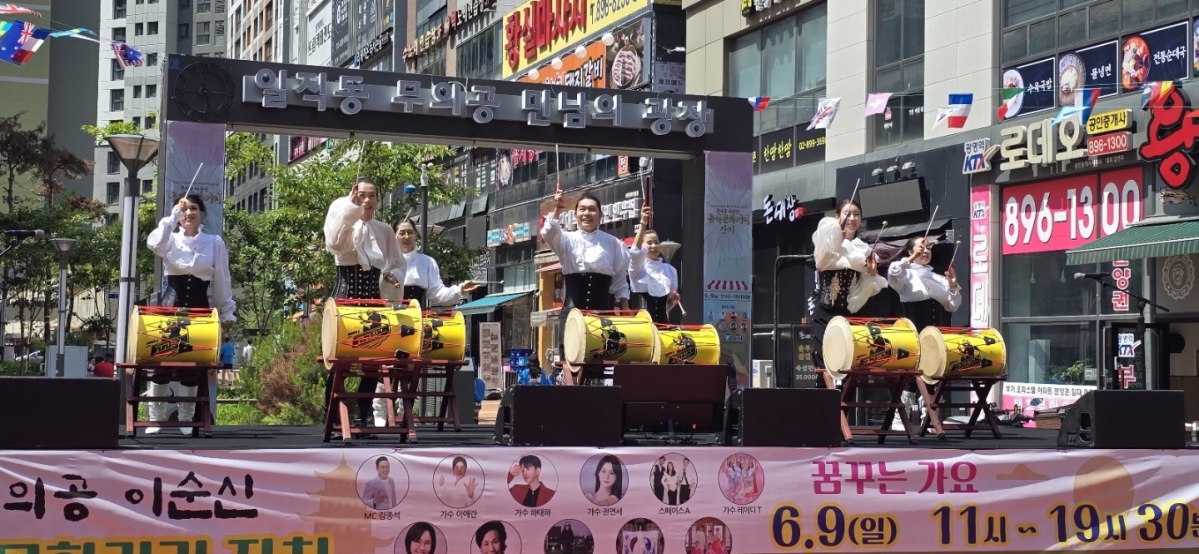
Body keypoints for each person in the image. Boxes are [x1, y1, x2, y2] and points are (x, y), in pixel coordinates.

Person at [374, 218, 480, 425]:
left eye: (410, 232)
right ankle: (379, 414)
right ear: (393, 236)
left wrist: (459, 290)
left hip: (415, 325)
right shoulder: (383, 261)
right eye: (401, 233)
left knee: (410, 370)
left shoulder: (427, 262)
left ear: (416, 235)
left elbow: (438, 294)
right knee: (384, 369)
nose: (406, 237)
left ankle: (403, 414)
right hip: (389, 322)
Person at [145, 194, 235, 436]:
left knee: (192, 366)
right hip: (169, 310)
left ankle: (186, 418)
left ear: (201, 212)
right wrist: (170, 217)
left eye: (193, 208)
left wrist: (226, 311)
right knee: (161, 364)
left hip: (199, 311)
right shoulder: (170, 239)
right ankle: (156, 418)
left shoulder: (214, 242)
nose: (188, 213)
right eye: (183, 209)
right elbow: (154, 245)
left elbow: (222, 280)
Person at [323, 177, 407, 437]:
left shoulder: (383, 230)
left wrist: (392, 276)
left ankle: (364, 410)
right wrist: (350, 207)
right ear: (353, 195)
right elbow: (334, 243)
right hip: (345, 301)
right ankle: (334, 412)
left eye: (372, 196)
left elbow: (396, 262)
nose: (367, 201)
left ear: (378, 200)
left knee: (374, 361)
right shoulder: (342, 217)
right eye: (362, 195)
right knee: (339, 361)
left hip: (373, 301)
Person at [540, 190, 631, 374]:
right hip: (572, 314)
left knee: (599, 365)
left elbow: (620, 281)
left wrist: (625, 308)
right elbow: (548, 233)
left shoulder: (614, 244)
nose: (586, 214)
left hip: (602, 317)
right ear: (575, 215)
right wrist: (557, 208)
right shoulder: (567, 240)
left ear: (600, 215)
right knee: (571, 365)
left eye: (591, 210)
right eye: (582, 209)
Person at [886, 236, 961, 424]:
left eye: (928, 248)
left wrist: (952, 284)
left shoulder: (937, 277)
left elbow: (952, 305)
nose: (926, 251)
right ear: (911, 251)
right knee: (911, 377)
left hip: (939, 334)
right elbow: (894, 273)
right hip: (917, 332)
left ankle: (928, 420)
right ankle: (899, 418)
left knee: (935, 375)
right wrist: (910, 260)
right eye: (921, 248)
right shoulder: (906, 274)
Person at [810, 199, 887, 373]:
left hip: (850, 314)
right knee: (824, 362)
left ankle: (846, 400)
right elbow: (820, 263)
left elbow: (863, 287)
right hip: (825, 311)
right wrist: (837, 237)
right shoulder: (828, 241)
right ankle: (825, 399)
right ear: (837, 217)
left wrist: (872, 273)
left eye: (856, 214)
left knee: (849, 363)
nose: (852, 218)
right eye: (847, 213)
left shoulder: (864, 249)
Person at [628, 206, 679, 324]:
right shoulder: (638, 268)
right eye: (649, 243)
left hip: (663, 325)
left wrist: (672, 301)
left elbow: (667, 307)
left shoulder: (670, 270)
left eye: (656, 242)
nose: (653, 246)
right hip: (641, 327)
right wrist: (643, 223)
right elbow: (635, 251)